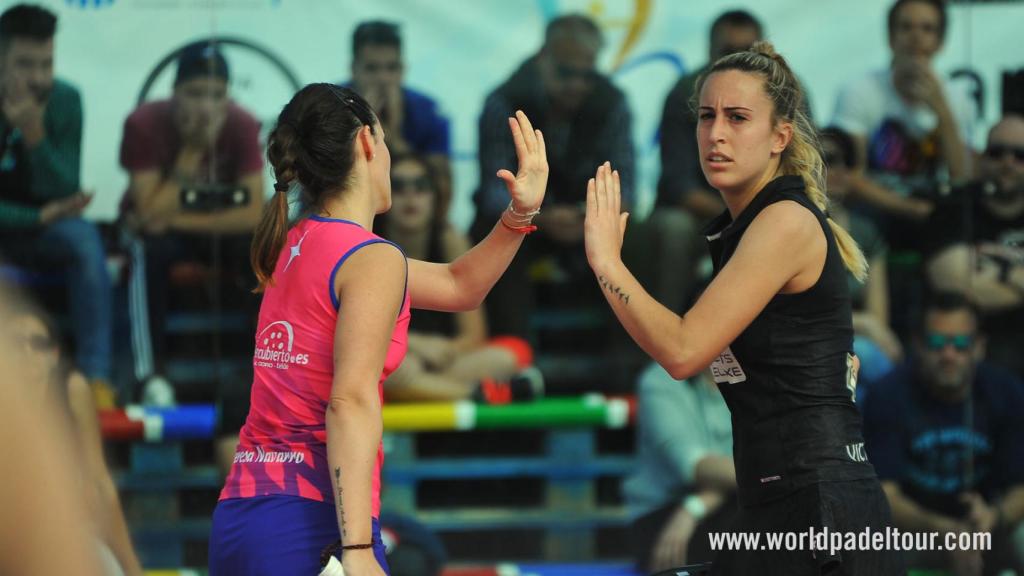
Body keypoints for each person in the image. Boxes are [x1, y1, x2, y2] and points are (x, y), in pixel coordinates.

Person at [583, 42, 902, 574]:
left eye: (737, 117)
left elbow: (684, 351)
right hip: (779, 505)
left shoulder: (783, 222)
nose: (716, 133)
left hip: (824, 511)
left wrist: (607, 263)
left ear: (781, 135)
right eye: (707, 116)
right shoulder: (747, 227)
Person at [209, 84, 547, 576]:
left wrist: (520, 213)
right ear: (368, 143)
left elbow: (459, 286)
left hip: (242, 516)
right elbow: (349, 401)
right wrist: (360, 548)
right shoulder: (370, 258)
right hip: (311, 523)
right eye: (386, 142)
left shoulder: (297, 240)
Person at [119, 39, 265, 403]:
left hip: (199, 227)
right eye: (195, 94)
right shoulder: (145, 123)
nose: (206, 107)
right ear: (175, 94)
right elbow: (147, 211)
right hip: (162, 236)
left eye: (216, 95)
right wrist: (193, 152)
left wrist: (176, 221)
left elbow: (252, 212)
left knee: (264, 248)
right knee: (143, 250)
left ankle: (268, 368)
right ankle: (149, 375)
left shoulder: (243, 124)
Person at [472, 13, 634, 338]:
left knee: (634, 232)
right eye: (565, 73)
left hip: (586, 221)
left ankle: (628, 367)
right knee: (490, 235)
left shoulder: (611, 102)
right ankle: (514, 357)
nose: (576, 84)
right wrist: (540, 216)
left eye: (585, 75)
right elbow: (492, 191)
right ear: (542, 58)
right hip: (521, 222)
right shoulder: (504, 100)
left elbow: (626, 188)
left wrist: (586, 216)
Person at [0, 3, 114, 407]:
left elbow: (64, 185)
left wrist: (33, 133)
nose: (37, 78)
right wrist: (36, 215)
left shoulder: (65, 100)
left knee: (84, 239)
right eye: (24, 65)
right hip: (20, 225)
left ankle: (95, 378)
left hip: (49, 229)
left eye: (46, 64)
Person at [862, 291, 1024, 576]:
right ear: (918, 344)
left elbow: (1021, 487)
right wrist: (943, 530)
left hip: (988, 528)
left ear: (980, 347)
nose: (949, 354)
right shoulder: (887, 395)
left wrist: (995, 517)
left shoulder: (1007, 392)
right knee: (866, 544)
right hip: (915, 532)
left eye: (961, 344)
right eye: (937, 343)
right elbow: (883, 494)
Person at [374, 153, 540, 403]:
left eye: (421, 186)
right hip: (393, 359)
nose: (410, 196)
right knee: (386, 364)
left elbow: (473, 335)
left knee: (511, 355)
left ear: (435, 196)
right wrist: (415, 345)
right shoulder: (368, 245)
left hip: (443, 363)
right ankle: (475, 394)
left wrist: (441, 352)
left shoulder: (450, 240)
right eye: (397, 186)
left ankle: (430, 389)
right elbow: (362, 336)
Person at [2, 290, 144, 576]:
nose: (27, 352)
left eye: (38, 343)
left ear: (54, 355)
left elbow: (100, 484)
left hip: (71, 540)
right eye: (16, 343)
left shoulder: (72, 391)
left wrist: (133, 568)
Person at [832, 0, 974, 226]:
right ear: (890, 37)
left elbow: (962, 177)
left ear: (941, 41)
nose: (916, 37)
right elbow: (847, 176)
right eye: (906, 27)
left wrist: (942, 111)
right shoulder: (859, 91)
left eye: (927, 29)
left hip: (934, 211)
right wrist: (908, 208)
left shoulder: (958, 98)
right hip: (871, 211)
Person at [924, 114, 1024, 377]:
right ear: (982, 157)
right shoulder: (956, 206)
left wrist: (996, 274)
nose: (1008, 162)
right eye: (996, 152)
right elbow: (957, 285)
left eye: (1019, 155)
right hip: (962, 347)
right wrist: (1016, 276)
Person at [625, 362, 735, 573]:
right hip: (664, 509)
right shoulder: (659, 380)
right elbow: (694, 466)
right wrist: (765, 475)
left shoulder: (753, 375)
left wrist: (699, 505)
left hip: (731, 500)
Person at [820, 127, 902, 389]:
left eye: (847, 161)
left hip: (855, 342)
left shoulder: (865, 232)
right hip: (806, 341)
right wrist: (863, 322)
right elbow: (795, 315)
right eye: (827, 159)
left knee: (867, 358)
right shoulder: (788, 224)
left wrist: (868, 325)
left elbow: (879, 319)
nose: (839, 169)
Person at [344, 21, 452, 217]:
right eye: (372, 68)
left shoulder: (428, 112)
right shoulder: (331, 107)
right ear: (353, 69)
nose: (384, 79)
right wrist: (360, 121)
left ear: (403, 69)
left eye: (391, 68)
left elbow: (442, 192)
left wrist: (395, 141)